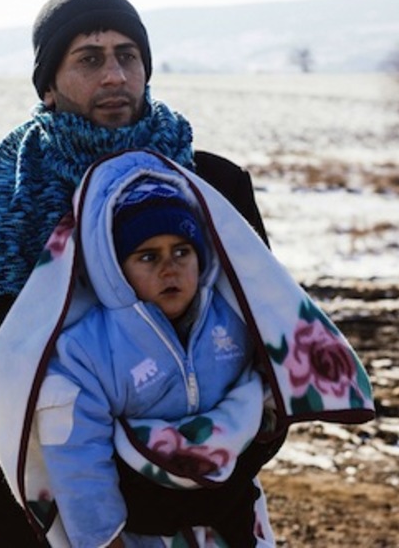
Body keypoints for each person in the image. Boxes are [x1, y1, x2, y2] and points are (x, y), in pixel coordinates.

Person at [0, 0, 270, 546]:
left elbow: (266, 340)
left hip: (209, 489)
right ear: (48, 84)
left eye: (128, 56)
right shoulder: (5, 207)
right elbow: (13, 380)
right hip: (55, 487)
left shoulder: (214, 186)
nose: (114, 76)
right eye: (89, 59)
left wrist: (218, 465)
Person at [37, 171, 272, 547]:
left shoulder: (233, 322)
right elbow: (77, 454)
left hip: (227, 514)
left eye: (182, 251)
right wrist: (102, 537)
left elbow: (263, 381)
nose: (170, 268)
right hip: (140, 525)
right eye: (148, 256)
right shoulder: (88, 349)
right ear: (116, 269)